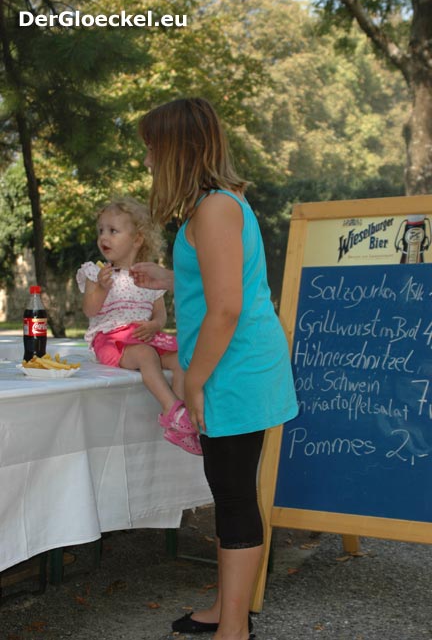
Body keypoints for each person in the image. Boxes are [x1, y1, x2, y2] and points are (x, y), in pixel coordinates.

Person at [130, 98, 298, 640]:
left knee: (232, 496)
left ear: (179, 148)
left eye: (154, 148)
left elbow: (227, 308)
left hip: (235, 369)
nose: (150, 160)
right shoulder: (215, 205)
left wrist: (192, 379)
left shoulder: (215, 208)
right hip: (232, 364)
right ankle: (228, 610)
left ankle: (234, 628)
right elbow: (225, 287)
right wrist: (172, 278)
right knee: (228, 492)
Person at [76, 196, 201, 456]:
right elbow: (90, 310)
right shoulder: (94, 272)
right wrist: (100, 287)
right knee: (145, 355)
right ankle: (172, 410)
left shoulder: (148, 275)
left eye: (113, 231)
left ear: (137, 239)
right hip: (109, 340)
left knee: (181, 358)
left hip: (143, 337)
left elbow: (160, 316)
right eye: (101, 230)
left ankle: (179, 420)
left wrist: (154, 326)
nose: (103, 237)